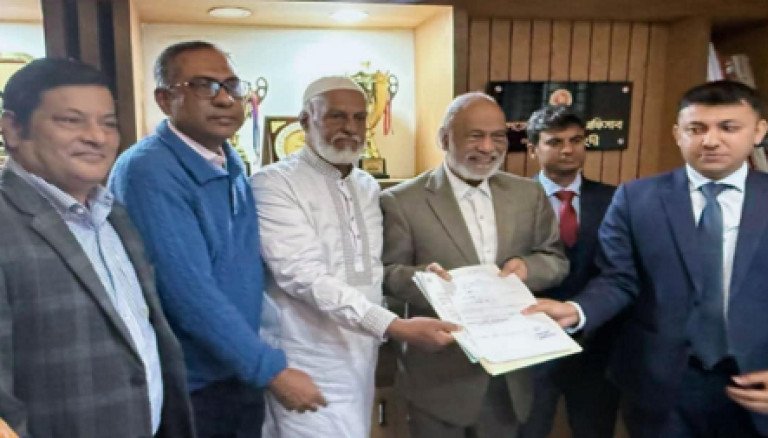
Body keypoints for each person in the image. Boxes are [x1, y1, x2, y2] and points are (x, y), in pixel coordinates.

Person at [527, 80, 768, 437]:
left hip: (763, 381)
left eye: (728, 127)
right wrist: (577, 310)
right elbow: (618, 279)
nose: (711, 140)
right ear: (678, 134)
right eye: (696, 129)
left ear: (758, 131)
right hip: (661, 383)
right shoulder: (636, 199)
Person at [109, 41, 322, 438]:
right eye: (203, 85)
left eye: (231, 86)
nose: (224, 99)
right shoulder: (149, 170)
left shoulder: (230, 162)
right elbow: (187, 291)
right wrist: (269, 369)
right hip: (191, 384)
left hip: (235, 372)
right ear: (164, 99)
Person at [251, 76, 458, 437]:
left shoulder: (366, 185)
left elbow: (369, 271)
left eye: (359, 118)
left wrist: (420, 276)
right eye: (336, 116)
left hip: (362, 356)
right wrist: (393, 326)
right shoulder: (273, 183)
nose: (350, 127)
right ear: (305, 121)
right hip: (304, 359)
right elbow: (303, 276)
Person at [0, 58, 194, 437]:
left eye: (108, 123)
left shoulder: (112, 215)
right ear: (13, 129)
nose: (97, 137)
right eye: (70, 121)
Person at [381, 92, 569, 438]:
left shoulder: (528, 195)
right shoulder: (401, 201)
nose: (487, 147)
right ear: (444, 138)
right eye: (475, 136)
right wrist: (424, 280)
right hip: (438, 378)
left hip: (508, 373)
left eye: (498, 136)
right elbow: (388, 274)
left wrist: (528, 268)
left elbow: (555, 260)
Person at [519, 105, 619, 438]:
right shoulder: (513, 202)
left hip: (596, 344)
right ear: (533, 149)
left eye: (576, 140)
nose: (568, 149)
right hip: (531, 342)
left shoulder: (615, 200)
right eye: (555, 142)